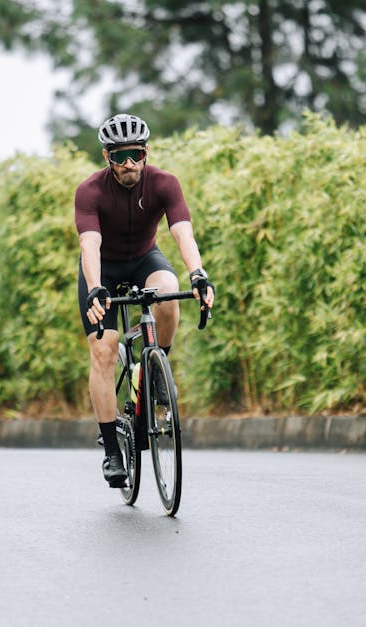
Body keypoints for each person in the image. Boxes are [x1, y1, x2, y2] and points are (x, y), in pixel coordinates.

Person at [75, 113, 216, 487]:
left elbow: (182, 232)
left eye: (135, 154)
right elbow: (90, 244)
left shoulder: (164, 183)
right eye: (119, 156)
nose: (128, 164)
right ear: (107, 156)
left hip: (143, 260)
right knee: (104, 351)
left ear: (146, 152)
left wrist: (198, 274)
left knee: (169, 293)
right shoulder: (90, 191)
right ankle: (110, 450)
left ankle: (154, 367)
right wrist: (94, 287)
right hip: (102, 270)